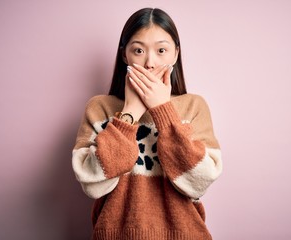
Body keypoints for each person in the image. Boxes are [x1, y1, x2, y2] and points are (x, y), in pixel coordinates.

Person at [72, 7, 223, 240]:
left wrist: (163, 111)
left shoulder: (194, 106)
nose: (150, 62)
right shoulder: (99, 108)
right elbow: (93, 185)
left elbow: (198, 182)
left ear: (175, 54)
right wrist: (130, 113)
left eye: (161, 50)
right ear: (125, 56)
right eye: (139, 50)